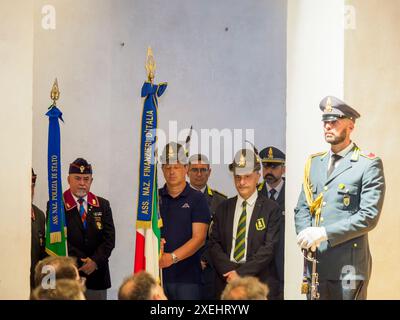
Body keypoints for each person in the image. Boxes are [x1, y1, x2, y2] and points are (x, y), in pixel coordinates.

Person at [295, 96, 386, 300]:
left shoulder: (367, 164)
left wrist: (324, 232)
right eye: (325, 122)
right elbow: (302, 206)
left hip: (348, 267)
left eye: (334, 121)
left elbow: (368, 216)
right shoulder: (315, 163)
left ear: (351, 125)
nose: (328, 126)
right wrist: (305, 234)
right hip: (317, 264)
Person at [209, 148, 281, 299]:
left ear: (258, 176)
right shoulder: (223, 207)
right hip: (227, 283)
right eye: (238, 177)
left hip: (259, 284)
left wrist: (240, 273)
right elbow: (214, 244)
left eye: (247, 176)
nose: (242, 182)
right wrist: (231, 273)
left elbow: (269, 248)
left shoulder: (271, 209)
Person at [158, 142, 211, 300]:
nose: (172, 171)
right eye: (167, 167)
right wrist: (155, 244)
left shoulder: (197, 198)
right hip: (158, 276)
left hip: (188, 279)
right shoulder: (155, 198)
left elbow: (199, 238)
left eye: (176, 166)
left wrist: (172, 258)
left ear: (186, 169)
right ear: (162, 170)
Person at [62, 158, 115, 300]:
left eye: (86, 179)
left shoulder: (103, 205)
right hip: (69, 277)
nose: (82, 183)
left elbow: (109, 239)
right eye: (77, 178)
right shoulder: (57, 206)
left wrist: (95, 261)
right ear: (68, 179)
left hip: (97, 276)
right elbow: (59, 240)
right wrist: (82, 262)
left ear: (91, 180)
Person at [187, 153, 227, 300]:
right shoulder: (176, 199)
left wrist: (205, 259)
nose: (199, 174)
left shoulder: (221, 201)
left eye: (203, 170)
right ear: (187, 171)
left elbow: (222, 237)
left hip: (210, 269)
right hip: (181, 267)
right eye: (194, 169)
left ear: (209, 172)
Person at [258, 146, 286, 299]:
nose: (268, 171)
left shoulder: (293, 192)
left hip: (285, 264)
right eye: (266, 166)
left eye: (274, 167)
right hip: (262, 268)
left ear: (284, 169)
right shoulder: (255, 194)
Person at [31, 168, 46, 290]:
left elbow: (43, 256)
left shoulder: (39, 215)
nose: (31, 191)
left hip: (35, 285)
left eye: (33, 186)